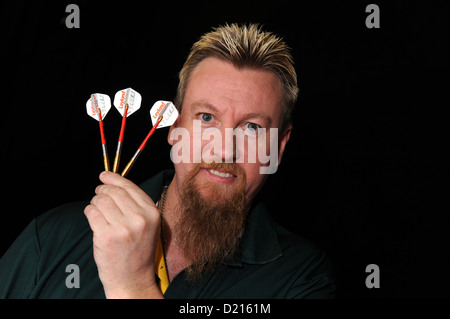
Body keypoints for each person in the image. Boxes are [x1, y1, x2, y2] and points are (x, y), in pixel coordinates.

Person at [0, 23, 335, 298]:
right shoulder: (53, 238)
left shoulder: (301, 278)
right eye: (206, 118)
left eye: (251, 127)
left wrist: (133, 286)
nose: (223, 150)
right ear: (174, 128)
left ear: (278, 146)